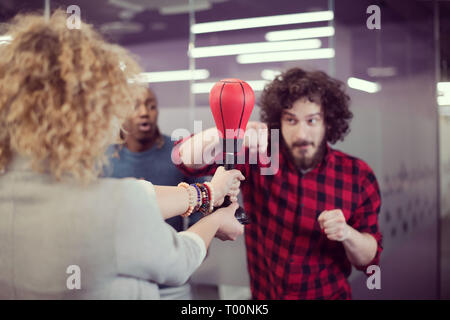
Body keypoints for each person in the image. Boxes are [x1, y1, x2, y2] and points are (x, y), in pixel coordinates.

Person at [0, 10, 244, 299]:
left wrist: (207, 192)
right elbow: (179, 261)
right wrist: (214, 221)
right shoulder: (113, 206)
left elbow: (136, 198)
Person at [174, 67, 383, 300]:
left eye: (312, 120)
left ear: (328, 122)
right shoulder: (261, 157)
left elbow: (369, 260)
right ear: (279, 121)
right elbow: (184, 160)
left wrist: (347, 234)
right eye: (291, 120)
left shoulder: (358, 176)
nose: (301, 133)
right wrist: (228, 133)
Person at [104, 87, 205, 299]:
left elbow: (203, 208)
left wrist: (189, 252)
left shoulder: (180, 153)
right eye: (136, 106)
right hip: (119, 278)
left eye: (151, 106)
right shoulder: (104, 159)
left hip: (172, 279)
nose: (144, 112)